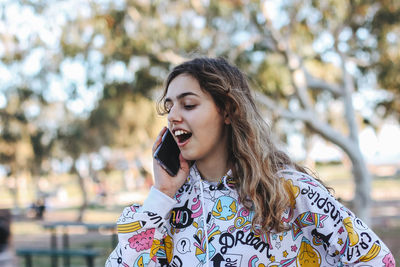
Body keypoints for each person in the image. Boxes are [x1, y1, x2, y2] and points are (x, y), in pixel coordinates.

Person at [106, 57, 394, 267]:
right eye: (169, 107)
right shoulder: (168, 207)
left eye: (189, 104)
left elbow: (376, 260)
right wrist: (163, 194)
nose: (172, 116)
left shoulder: (289, 191)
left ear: (228, 111)